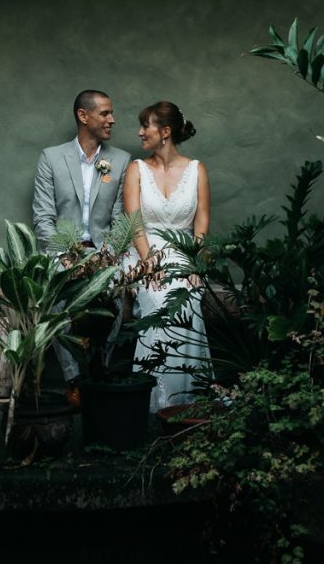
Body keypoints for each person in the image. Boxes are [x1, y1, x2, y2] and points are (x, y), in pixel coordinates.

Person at [30, 90, 132, 384]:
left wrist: (106, 256)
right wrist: (66, 254)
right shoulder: (51, 158)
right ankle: (73, 379)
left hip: (104, 252)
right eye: (105, 114)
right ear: (83, 116)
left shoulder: (121, 160)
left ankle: (102, 368)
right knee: (60, 297)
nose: (112, 120)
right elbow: (43, 218)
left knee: (116, 288)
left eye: (111, 113)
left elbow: (119, 219)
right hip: (62, 251)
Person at [123, 100, 211, 412]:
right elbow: (134, 223)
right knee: (158, 296)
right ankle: (153, 399)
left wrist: (195, 260)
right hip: (144, 251)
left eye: (145, 126)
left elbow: (201, 222)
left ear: (165, 132)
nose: (140, 132)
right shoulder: (136, 170)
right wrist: (147, 262)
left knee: (188, 295)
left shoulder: (196, 170)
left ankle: (187, 396)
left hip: (183, 251)